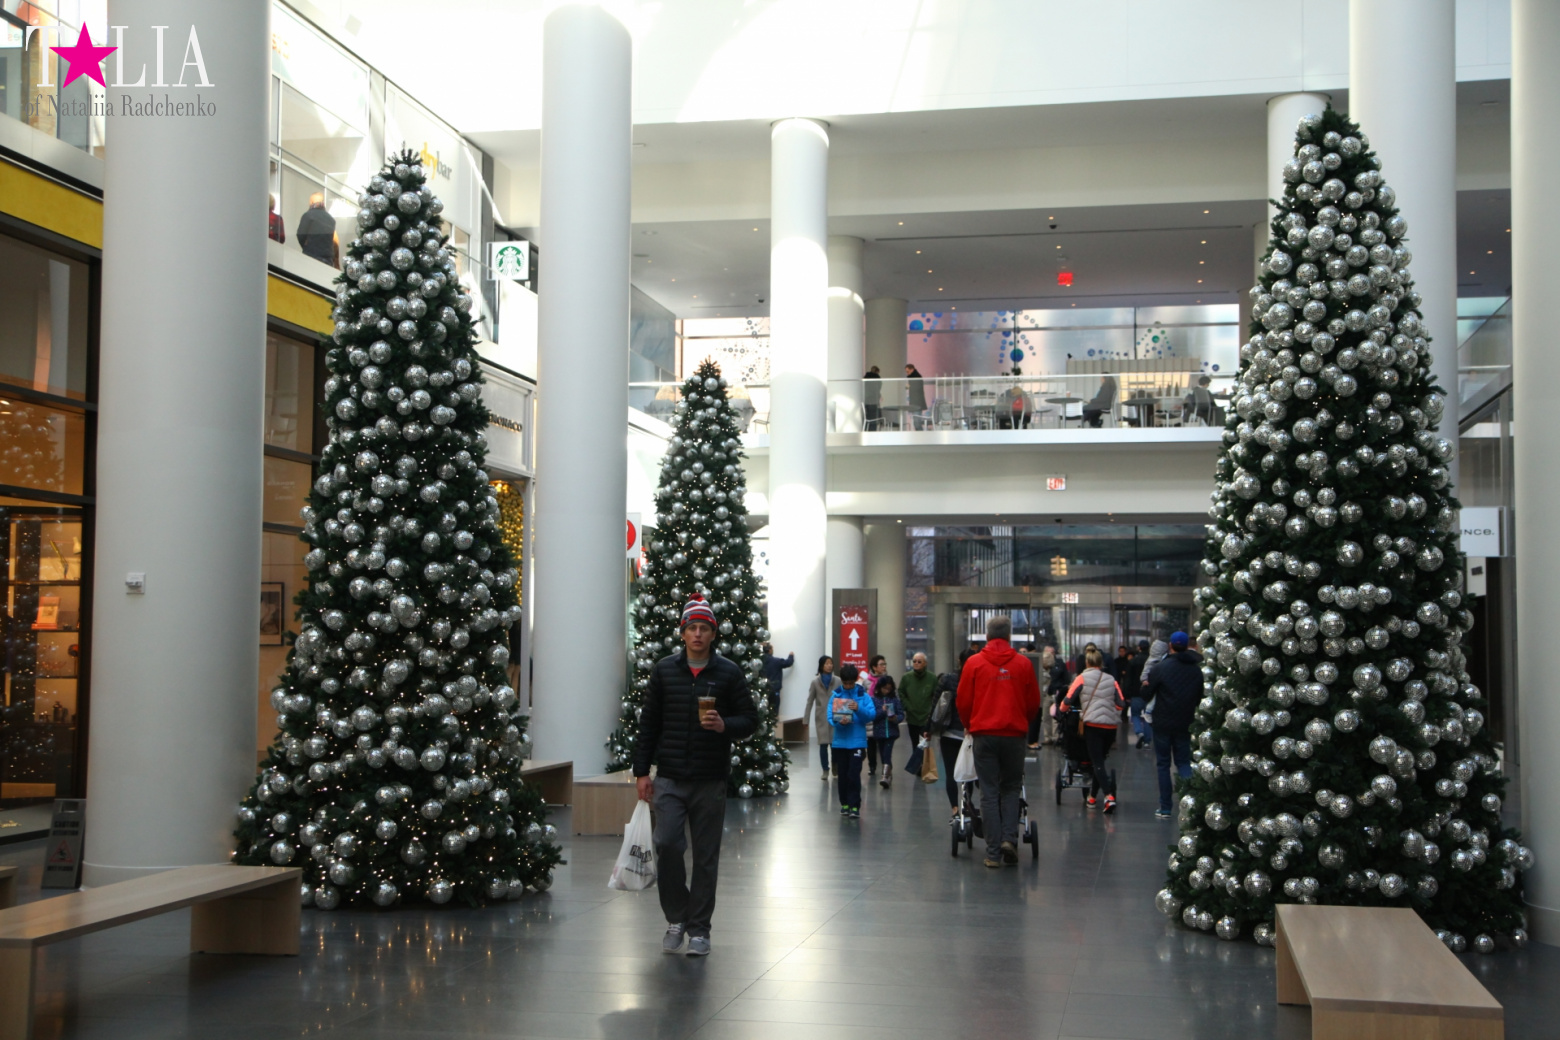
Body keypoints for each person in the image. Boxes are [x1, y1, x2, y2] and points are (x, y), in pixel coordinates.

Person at [633, 594, 760, 957]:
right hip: (670, 777)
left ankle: (700, 929)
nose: (698, 634)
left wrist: (724, 724)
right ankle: (677, 917)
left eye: (704, 628)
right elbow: (649, 724)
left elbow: (750, 720)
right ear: (683, 633)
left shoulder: (728, 673)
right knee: (667, 844)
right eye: (692, 628)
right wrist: (642, 771)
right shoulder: (664, 670)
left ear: (713, 634)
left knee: (706, 856)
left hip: (710, 778)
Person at [956, 615, 1041, 867]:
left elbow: (963, 701)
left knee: (989, 792)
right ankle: (1009, 840)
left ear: (987, 635)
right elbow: (1033, 702)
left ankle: (992, 853)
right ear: (1009, 635)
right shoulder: (1023, 664)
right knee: (1011, 788)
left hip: (983, 735)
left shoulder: (974, 663)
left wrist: (970, 725)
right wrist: (1021, 721)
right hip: (1014, 735)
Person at [1144, 631, 1201, 818]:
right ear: (1187, 646)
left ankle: (1166, 807)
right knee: (1183, 762)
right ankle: (1191, 804)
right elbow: (1199, 696)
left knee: (1163, 764)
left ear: (1170, 646)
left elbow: (1148, 693)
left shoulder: (1161, 668)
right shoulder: (1195, 669)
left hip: (1162, 722)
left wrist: (1145, 686)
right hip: (1185, 721)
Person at [1062, 648, 1126, 813]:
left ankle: (1108, 796)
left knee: (1096, 762)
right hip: (1111, 727)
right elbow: (1121, 703)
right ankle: (1091, 797)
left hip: (1093, 726)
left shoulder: (1081, 678)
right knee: (1100, 762)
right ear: (1101, 663)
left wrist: (1063, 711)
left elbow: (1067, 700)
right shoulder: (1111, 679)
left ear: (1087, 663)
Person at [828, 663, 877, 818]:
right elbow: (830, 716)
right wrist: (838, 722)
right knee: (842, 775)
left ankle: (855, 805)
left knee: (854, 774)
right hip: (840, 742)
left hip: (857, 742)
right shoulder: (835, 695)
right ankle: (845, 804)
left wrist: (858, 708)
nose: (848, 686)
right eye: (845, 683)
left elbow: (871, 715)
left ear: (855, 680)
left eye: (850, 683)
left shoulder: (863, 695)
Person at [899, 652, 937, 776]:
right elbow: (901, 693)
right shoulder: (906, 678)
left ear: (925, 663)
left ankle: (923, 766)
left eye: (919, 661)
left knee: (925, 743)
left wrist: (931, 713)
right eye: (914, 661)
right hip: (912, 717)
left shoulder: (932, 678)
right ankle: (917, 767)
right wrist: (908, 707)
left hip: (926, 718)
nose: (916, 663)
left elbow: (936, 696)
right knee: (915, 743)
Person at [804, 656, 840, 781]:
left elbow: (843, 698)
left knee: (835, 745)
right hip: (821, 717)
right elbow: (810, 701)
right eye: (827, 663)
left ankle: (835, 765)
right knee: (823, 745)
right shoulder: (815, 682)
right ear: (821, 666)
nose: (829, 666)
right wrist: (806, 719)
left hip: (835, 716)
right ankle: (825, 769)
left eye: (831, 663)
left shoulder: (837, 681)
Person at [867, 674, 903, 787]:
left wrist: (895, 719)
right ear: (879, 687)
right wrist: (883, 711)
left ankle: (885, 777)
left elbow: (901, 714)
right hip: (879, 732)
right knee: (883, 755)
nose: (887, 691)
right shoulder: (874, 700)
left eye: (889, 688)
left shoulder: (895, 700)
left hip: (891, 732)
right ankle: (888, 774)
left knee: (887, 754)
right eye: (884, 688)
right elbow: (872, 716)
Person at [1029, 645, 1066, 749]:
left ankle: (1056, 736)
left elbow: (1064, 678)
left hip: (1055, 693)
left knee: (1055, 716)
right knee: (1045, 716)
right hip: (1044, 695)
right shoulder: (1038, 668)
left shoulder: (1059, 665)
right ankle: (1048, 737)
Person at [296, 192, 340, 268]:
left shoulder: (308, 216)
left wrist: (306, 246)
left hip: (311, 255)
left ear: (311, 202)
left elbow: (300, 235)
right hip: (327, 258)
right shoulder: (330, 219)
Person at [1126, 639, 1152, 748]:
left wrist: (1127, 694)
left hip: (1136, 693)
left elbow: (1129, 679)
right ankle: (1147, 741)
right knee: (1148, 716)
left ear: (1139, 648)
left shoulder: (1133, 661)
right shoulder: (1152, 661)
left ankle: (1139, 732)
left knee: (1135, 714)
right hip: (1149, 693)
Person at [759, 643, 794, 716]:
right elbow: (788, 663)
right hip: (774, 691)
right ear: (769, 650)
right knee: (774, 712)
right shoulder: (776, 661)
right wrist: (791, 655)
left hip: (763, 691)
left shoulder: (760, 662)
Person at [863, 365, 882, 429]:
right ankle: (872, 430)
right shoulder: (876, 378)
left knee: (867, 416)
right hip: (873, 400)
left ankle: (866, 429)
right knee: (874, 417)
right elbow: (877, 389)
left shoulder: (865, 378)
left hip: (865, 400)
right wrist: (879, 395)